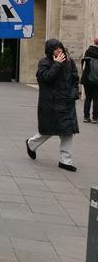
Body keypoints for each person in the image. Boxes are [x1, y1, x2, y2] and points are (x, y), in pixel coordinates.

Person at [26, 39, 80, 172]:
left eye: (60, 48)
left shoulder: (69, 62)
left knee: (67, 132)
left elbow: (75, 78)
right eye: (56, 49)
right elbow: (46, 78)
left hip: (67, 102)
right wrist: (56, 64)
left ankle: (65, 161)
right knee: (49, 130)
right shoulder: (44, 63)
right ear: (50, 51)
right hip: (51, 103)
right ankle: (31, 144)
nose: (59, 51)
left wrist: (74, 94)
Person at [81, 37, 98, 123]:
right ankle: (95, 118)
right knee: (96, 99)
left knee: (88, 98)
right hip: (96, 80)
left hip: (87, 79)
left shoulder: (88, 51)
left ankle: (86, 117)